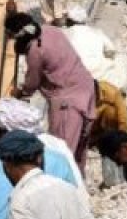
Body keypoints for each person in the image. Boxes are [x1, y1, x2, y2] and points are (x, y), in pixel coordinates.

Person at [7, 13, 97, 168]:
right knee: (79, 150)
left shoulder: (35, 51)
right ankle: (78, 186)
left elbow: (32, 82)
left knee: (62, 152)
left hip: (67, 101)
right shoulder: (51, 30)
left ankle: (62, 186)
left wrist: (20, 92)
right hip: (86, 89)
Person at [64, 7, 127, 88]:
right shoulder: (96, 32)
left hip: (74, 78)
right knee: (121, 57)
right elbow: (111, 50)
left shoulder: (63, 35)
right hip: (98, 76)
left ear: (68, 21)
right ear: (84, 21)